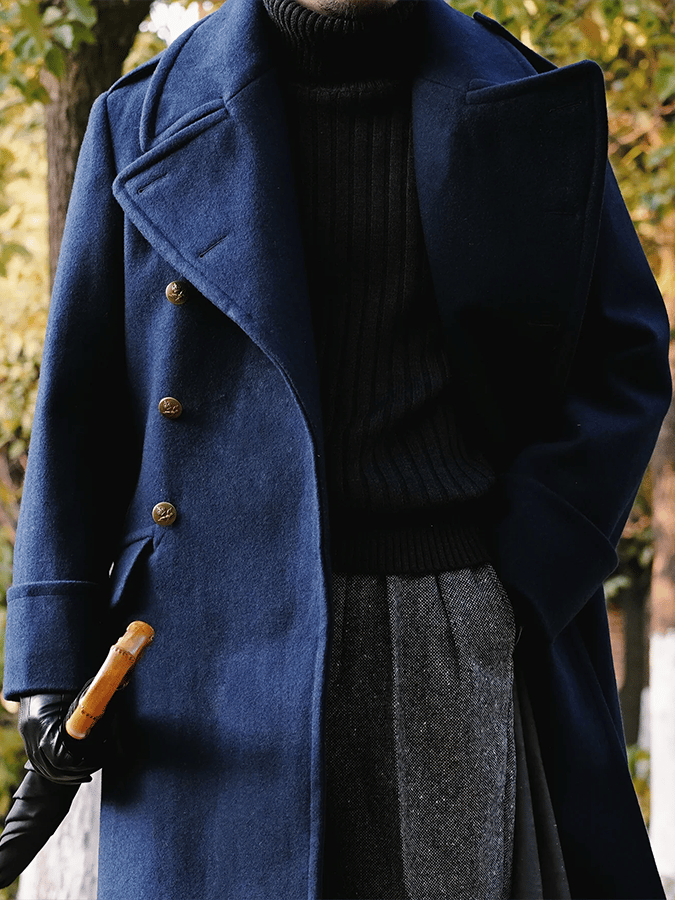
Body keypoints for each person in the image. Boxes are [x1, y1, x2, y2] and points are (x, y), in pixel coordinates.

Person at [2, 0, 671, 897]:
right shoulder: (140, 115)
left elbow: (621, 355)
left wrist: (521, 578)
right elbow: (80, 405)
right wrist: (49, 659)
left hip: (452, 623)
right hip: (204, 648)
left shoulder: (525, 98)